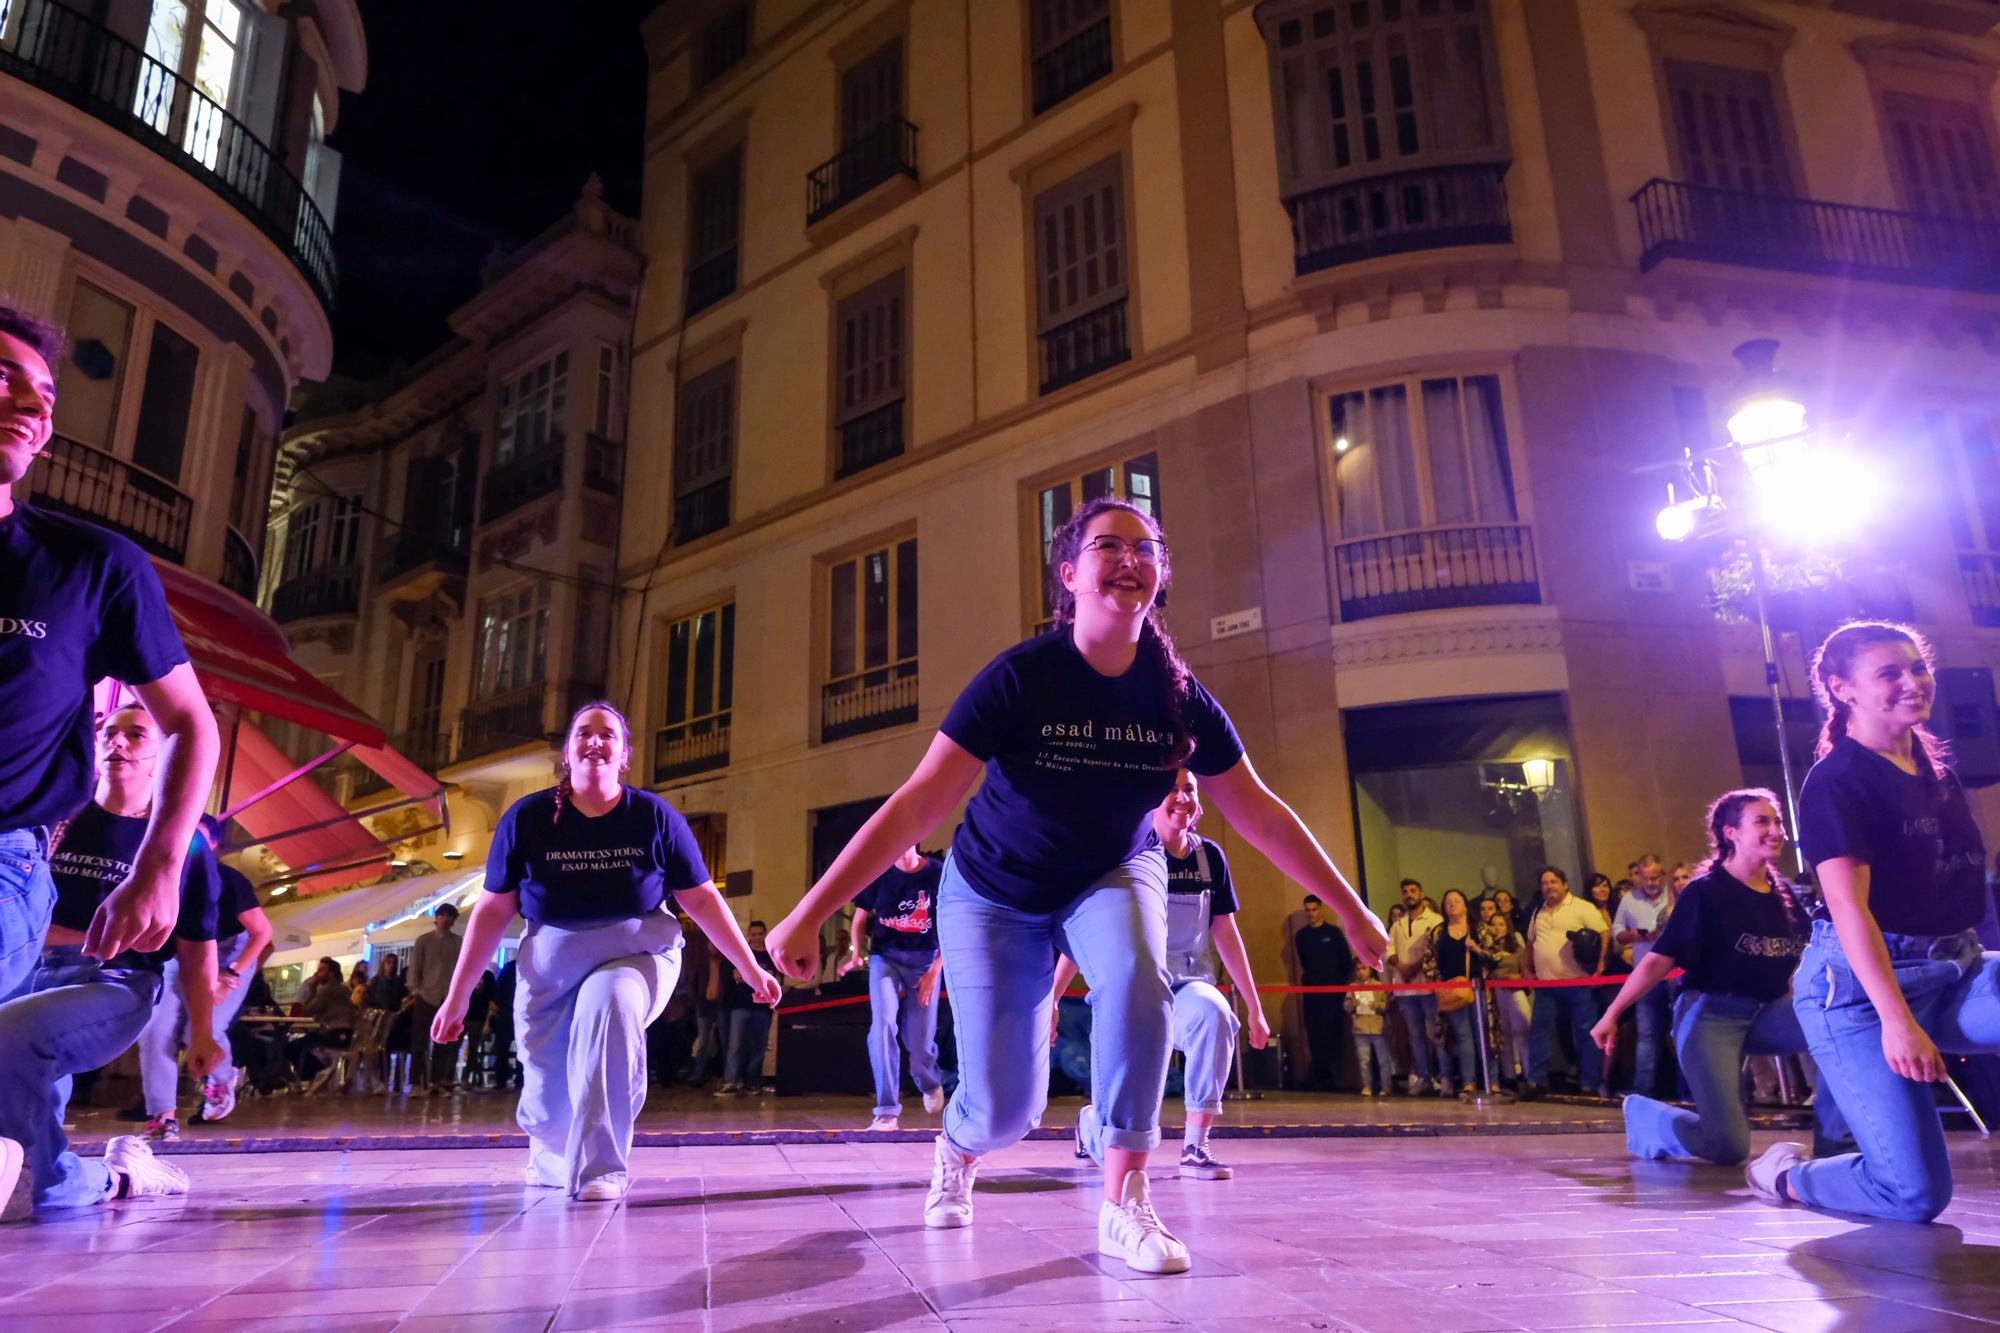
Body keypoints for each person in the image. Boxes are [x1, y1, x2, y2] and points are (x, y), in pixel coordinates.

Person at [761, 497, 1387, 1275]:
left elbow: (1256, 810)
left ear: (1159, 575)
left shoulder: (1176, 691)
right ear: (1069, 573)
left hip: (1113, 870)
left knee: (1136, 979)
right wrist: (807, 913)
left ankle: (1124, 1200)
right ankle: (958, 1145)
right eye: (1108, 545)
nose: (1129, 557)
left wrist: (1353, 907)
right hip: (994, 890)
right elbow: (916, 803)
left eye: (1146, 546)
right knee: (1008, 1106)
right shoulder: (1023, 678)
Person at [0, 306, 220, 1212]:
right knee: (34, 1194)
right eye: (5, 379)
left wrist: (161, 865)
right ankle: (83, 1171)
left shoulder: (89, 565)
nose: (33, 405)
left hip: (14, 870)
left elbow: (193, 724)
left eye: (45, 394)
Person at [430, 701, 779, 1202]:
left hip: (636, 956)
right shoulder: (526, 819)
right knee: (550, 1106)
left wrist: (749, 967)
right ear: (568, 753)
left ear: (624, 754)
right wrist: (457, 996)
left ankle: (601, 1169)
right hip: (551, 967)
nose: (596, 741)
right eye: (584, 733)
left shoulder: (655, 817)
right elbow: (491, 912)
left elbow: (700, 898)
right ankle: (553, 1154)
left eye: (608, 734)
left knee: (609, 1005)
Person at [1746, 622, 2000, 1223]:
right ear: (1843, 689)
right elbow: (1849, 909)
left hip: (1953, 969)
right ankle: (1785, 1176)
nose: (1912, 682)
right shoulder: (1837, 782)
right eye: (1890, 673)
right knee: (1913, 1196)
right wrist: (1898, 1023)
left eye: (1917, 668)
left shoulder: (1937, 771)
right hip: (1860, 995)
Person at [0, 704, 222, 1219]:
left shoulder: (179, 845)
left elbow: (195, 944)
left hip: (112, 985)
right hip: (27, 978)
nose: (116, 742)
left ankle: (89, 1175)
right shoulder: (56, 821)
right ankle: (109, 1175)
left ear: (163, 758)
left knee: (9, 1037)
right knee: (27, 1137)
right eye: (108, 733)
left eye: (136, 734)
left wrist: (205, 1032)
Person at [1591, 789, 1850, 1167]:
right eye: (1762, 822)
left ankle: (1834, 1149)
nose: (1776, 830)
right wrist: (1612, 1014)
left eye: (1777, 822)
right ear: (1731, 832)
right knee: (1728, 1146)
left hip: (1768, 1013)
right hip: (1711, 1016)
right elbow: (1657, 962)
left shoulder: (1784, 897)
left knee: (1841, 1025)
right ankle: (1649, 1118)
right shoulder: (1705, 892)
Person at [1058, 770, 1274, 1180]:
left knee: (1215, 1015)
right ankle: (1092, 1126)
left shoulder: (1209, 858)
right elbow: (1085, 930)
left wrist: (1254, 1006)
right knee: (1113, 1152)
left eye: (1188, 789)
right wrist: (1051, 998)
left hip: (1187, 985)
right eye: (1170, 789)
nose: (1181, 797)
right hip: (1133, 986)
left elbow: (1225, 931)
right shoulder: (1128, 854)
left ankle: (1196, 1147)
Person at [137, 854, 270, 1133]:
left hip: (232, 954)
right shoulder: (160, 876)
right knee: (155, 1029)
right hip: (183, 953)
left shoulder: (229, 880)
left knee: (199, 1031)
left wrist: (232, 975)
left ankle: (222, 1079)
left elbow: (263, 933)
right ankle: (162, 1115)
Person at [841, 846, 946, 1129]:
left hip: (926, 961)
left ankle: (929, 1079)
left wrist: (935, 971)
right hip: (885, 959)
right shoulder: (878, 872)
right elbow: (860, 919)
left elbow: (953, 926)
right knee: (883, 1025)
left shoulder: (937, 873)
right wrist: (856, 954)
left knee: (919, 1042)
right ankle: (886, 1110)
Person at [1517, 867, 1610, 1100]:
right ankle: (1537, 1081)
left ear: (1565, 884)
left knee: (1586, 1032)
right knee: (1539, 1031)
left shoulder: (1581, 907)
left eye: (1554, 881)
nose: (1549, 886)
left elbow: (1604, 933)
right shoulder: (1538, 912)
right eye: (1545, 883)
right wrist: (1527, 969)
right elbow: (1530, 943)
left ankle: (1590, 1083)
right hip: (1546, 985)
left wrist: (1599, 965)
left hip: (1577, 981)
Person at [1612, 854, 1674, 1098]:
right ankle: (1643, 1091)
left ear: (1663, 874)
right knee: (1647, 1034)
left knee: (1681, 1032)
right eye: (1645, 878)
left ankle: (1689, 1091)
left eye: (1655, 877)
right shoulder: (1629, 900)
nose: (1650, 882)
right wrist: (1633, 936)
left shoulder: (1675, 896)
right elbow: (1617, 932)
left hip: (1674, 974)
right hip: (1645, 977)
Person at [1423, 889, 1485, 1097]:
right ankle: (1469, 1082)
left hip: (1478, 987)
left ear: (1466, 905)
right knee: (1463, 1035)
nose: (1452, 904)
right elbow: (1429, 961)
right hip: (1451, 990)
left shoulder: (1479, 929)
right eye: (1448, 901)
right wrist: (1437, 983)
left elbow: (1494, 956)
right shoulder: (1439, 932)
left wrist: (1476, 948)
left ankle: (1492, 1080)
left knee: (1484, 1034)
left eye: (1457, 901)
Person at [1386, 880, 1446, 1094]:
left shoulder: (1436, 919)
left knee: (1436, 1035)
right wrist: (1401, 966)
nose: (1409, 895)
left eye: (1412, 891)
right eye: (1405, 892)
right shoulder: (1398, 924)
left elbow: (1435, 948)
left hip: (1427, 986)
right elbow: (1389, 950)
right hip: (1405, 989)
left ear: (1421, 893)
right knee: (1415, 1036)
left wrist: (1416, 966)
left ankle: (1445, 1077)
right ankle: (1423, 1078)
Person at [1294, 893, 1353, 1092]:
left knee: (1330, 1032)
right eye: (1307, 910)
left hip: (1332, 991)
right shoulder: (1301, 936)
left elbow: (1346, 961)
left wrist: (1339, 985)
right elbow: (1304, 960)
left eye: (1314, 909)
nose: (1311, 914)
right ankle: (1318, 1076)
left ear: (1321, 909)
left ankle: (1331, 1078)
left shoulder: (1334, 933)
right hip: (1311, 991)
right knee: (1313, 1031)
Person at [716, 921, 777, 1096]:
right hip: (740, 1005)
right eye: (754, 934)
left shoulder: (770, 957)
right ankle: (731, 1080)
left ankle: (753, 1081)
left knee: (759, 1045)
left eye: (760, 934)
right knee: (735, 1045)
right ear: (749, 935)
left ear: (764, 935)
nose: (757, 937)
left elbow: (774, 978)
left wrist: (747, 976)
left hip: (762, 1007)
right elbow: (732, 976)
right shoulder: (741, 953)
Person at [1479, 903, 1530, 1084]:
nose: (1497, 928)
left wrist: (1517, 977)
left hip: (1514, 992)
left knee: (1522, 1032)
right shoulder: (1484, 948)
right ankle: (1509, 1076)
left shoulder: (1515, 947)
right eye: (1494, 925)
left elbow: (1524, 970)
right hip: (1495, 994)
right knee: (1503, 1036)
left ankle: (1528, 1074)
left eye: (1501, 924)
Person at [1346, 962, 1391, 1095]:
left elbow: (1385, 1004)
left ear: (1370, 969)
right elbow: (1346, 1006)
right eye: (1358, 969)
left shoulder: (1378, 986)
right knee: (1364, 1060)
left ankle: (1386, 1086)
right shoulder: (1353, 987)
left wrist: (1377, 1005)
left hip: (1377, 1027)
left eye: (1364, 968)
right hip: (1360, 1027)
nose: (1361, 972)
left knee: (1383, 1060)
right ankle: (1367, 1085)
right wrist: (1352, 1005)